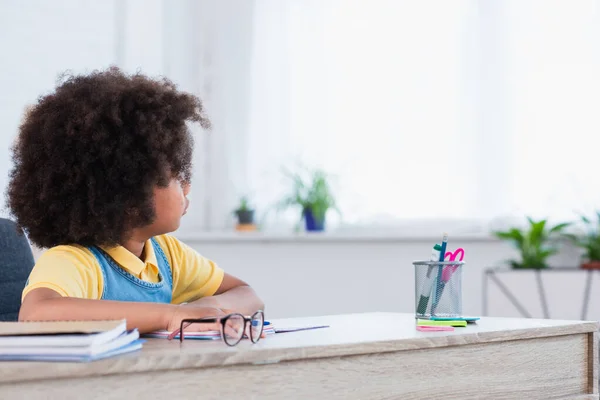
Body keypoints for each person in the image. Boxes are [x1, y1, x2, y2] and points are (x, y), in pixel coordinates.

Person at [7, 67, 264, 334]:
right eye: (175, 176)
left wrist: (205, 309)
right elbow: (36, 314)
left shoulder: (168, 255)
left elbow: (248, 295)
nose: (186, 186)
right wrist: (171, 315)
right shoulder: (75, 261)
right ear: (128, 194)